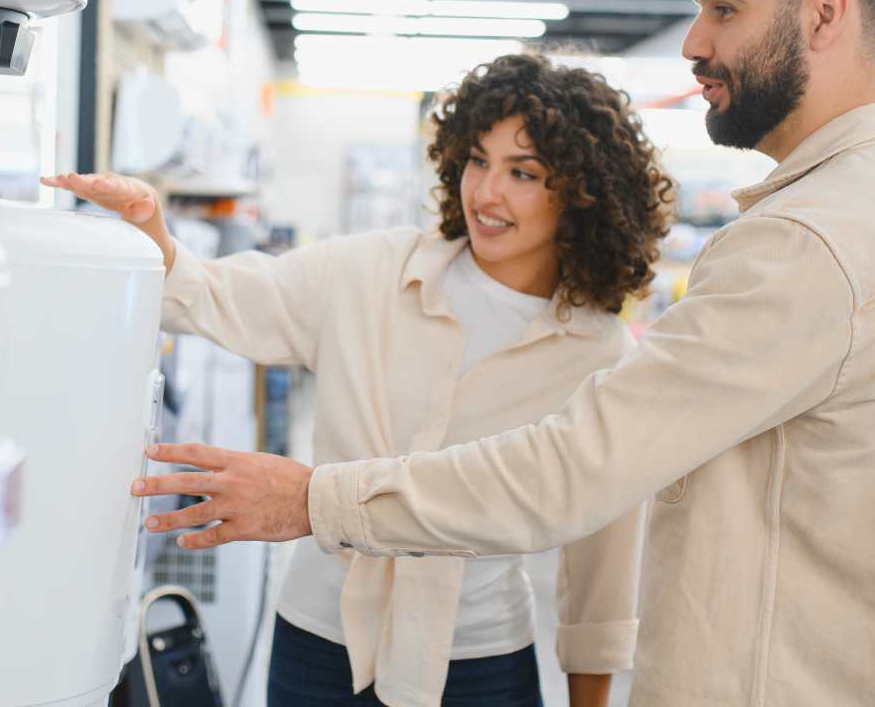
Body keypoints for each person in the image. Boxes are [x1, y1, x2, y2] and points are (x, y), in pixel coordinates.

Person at [129, 0, 875, 705]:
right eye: (479, 162)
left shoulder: (806, 244)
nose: (694, 42)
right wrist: (147, 253)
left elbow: (571, 478)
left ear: (825, 13)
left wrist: (315, 498)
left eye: (723, 8)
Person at [45, 53, 675, 707]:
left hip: (479, 664)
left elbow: (603, 553)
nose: (487, 193)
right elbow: (213, 296)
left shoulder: (597, 351)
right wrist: (152, 234)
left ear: (582, 192)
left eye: (523, 173)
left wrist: (590, 696)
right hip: (320, 646)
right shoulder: (372, 270)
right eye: (477, 160)